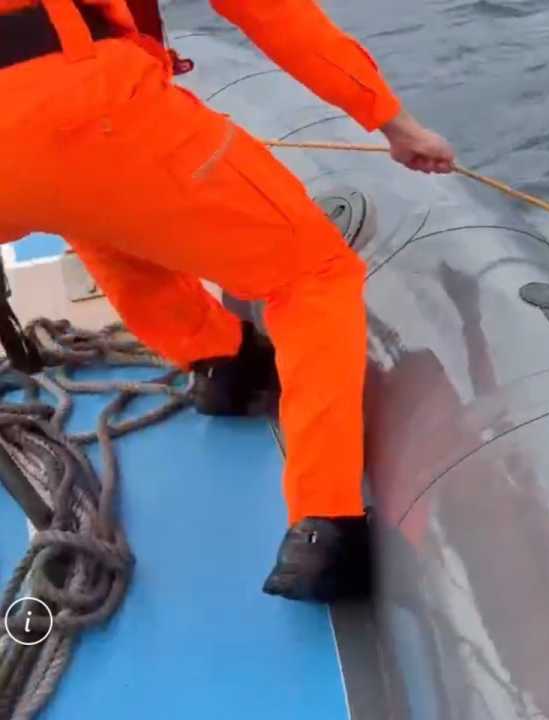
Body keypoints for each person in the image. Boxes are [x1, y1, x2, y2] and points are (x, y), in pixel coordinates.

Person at [0, 0, 456, 603]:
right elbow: (271, 12)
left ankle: (222, 361)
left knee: (91, 209)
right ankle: (325, 527)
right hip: (81, 108)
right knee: (314, 274)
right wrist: (391, 119)